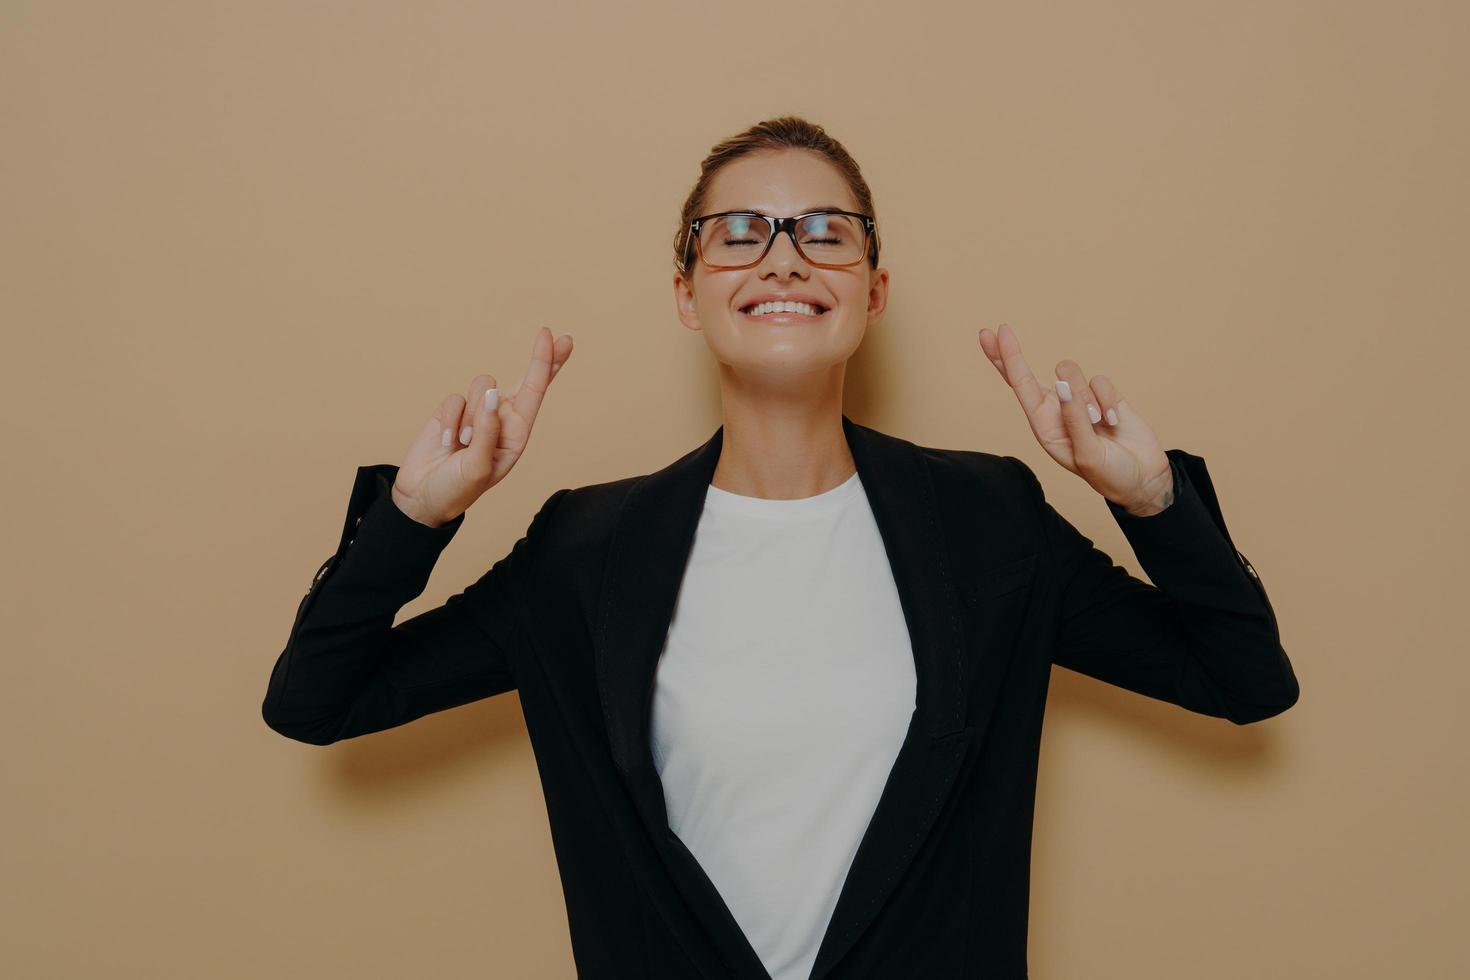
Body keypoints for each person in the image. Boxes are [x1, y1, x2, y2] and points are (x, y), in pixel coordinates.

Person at [262, 115, 1299, 980]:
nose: (784, 254)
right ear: (688, 291)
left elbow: (1243, 677)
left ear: (873, 289)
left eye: (824, 230)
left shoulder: (987, 520)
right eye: (739, 232)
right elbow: (318, 697)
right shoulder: (587, 548)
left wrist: (1151, 499)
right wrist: (416, 515)